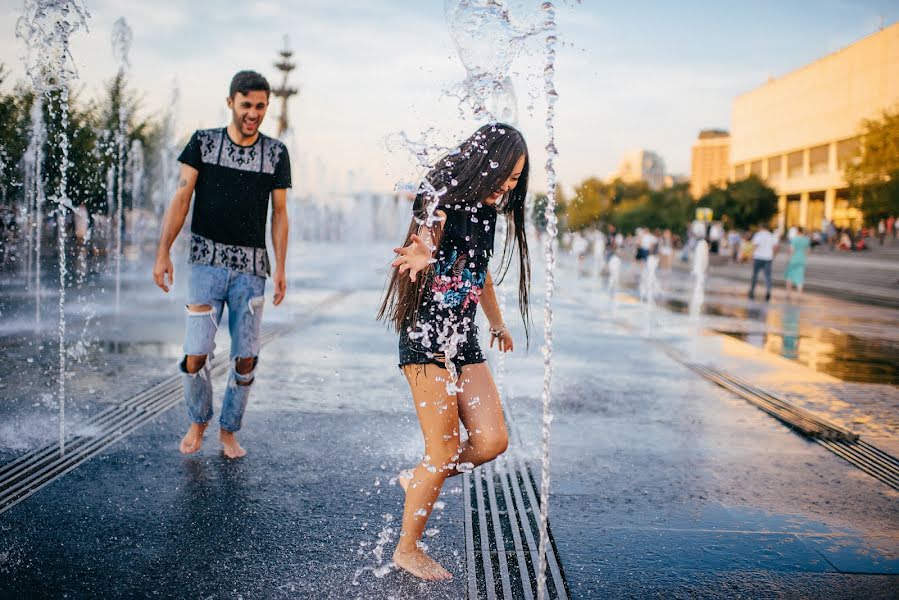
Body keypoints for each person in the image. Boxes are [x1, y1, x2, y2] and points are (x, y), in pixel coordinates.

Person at [378, 123, 531, 581]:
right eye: (506, 175)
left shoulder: (490, 215)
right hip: (426, 338)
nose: (510, 185)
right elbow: (426, 237)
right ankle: (407, 548)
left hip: (461, 338)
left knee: (492, 441)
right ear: (488, 164)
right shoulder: (442, 200)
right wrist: (424, 254)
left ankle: (423, 476)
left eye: (516, 179)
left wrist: (498, 323)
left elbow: (479, 276)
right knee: (441, 448)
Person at [152, 70, 291, 459]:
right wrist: (163, 251)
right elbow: (182, 197)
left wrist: (280, 268)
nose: (254, 113)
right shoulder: (203, 142)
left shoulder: (276, 153)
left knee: (245, 356)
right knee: (196, 352)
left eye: (261, 106)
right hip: (204, 264)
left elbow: (280, 214)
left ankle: (228, 431)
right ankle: (198, 421)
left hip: (251, 270)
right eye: (246, 104)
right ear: (231, 102)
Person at [748, 224, 778, 301]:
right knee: (768, 276)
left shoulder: (758, 235)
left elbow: (755, 245)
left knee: (755, 274)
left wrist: (751, 255)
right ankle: (768, 291)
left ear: (761, 228)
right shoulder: (771, 236)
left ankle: (752, 290)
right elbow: (775, 247)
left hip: (758, 257)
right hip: (768, 258)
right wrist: (773, 255)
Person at [784, 226, 810, 299]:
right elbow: (808, 251)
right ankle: (799, 294)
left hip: (793, 260)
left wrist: (788, 258)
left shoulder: (794, 239)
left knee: (789, 277)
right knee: (800, 277)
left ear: (797, 231)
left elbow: (791, 250)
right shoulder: (806, 240)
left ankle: (788, 294)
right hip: (802, 260)